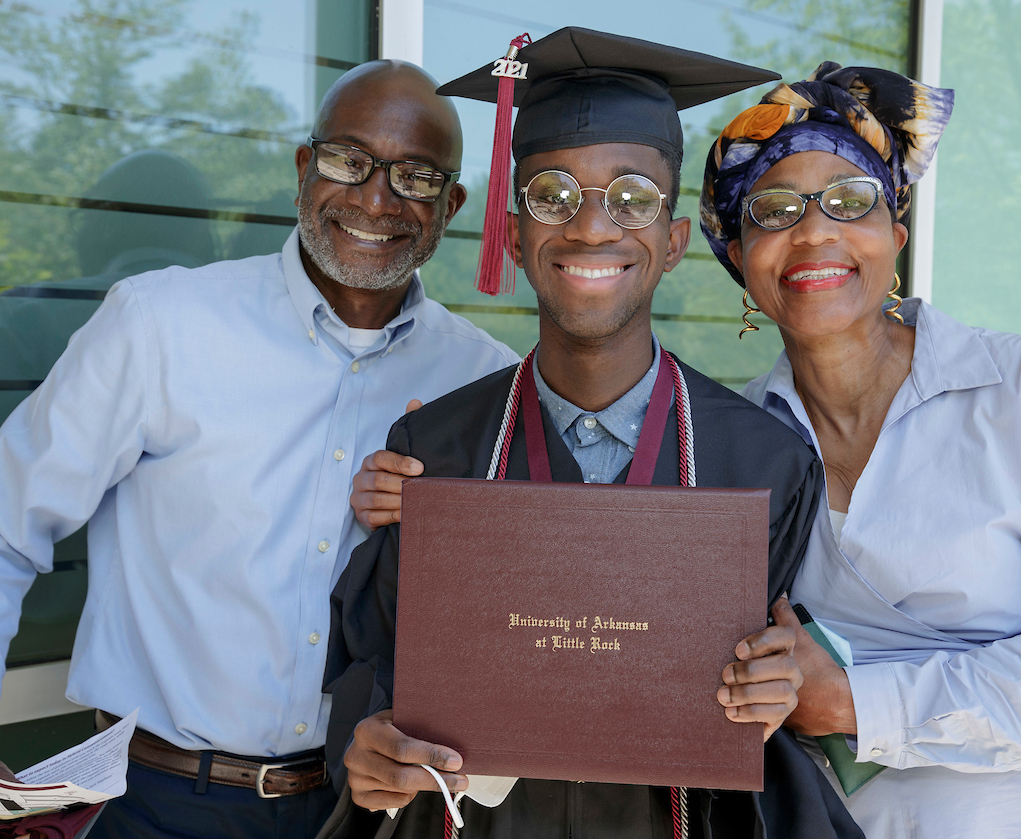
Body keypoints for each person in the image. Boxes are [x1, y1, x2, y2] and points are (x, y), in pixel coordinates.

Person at [319, 28, 864, 839]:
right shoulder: (434, 456)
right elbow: (374, 693)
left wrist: (789, 687)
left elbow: (816, 696)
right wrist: (368, 762)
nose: (590, 226)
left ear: (673, 240)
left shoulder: (767, 464)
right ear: (512, 233)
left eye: (634, 198)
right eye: (552, 196)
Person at [0, 60, 518, 839]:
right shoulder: (161, 325)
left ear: (451, 207)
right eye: (349, 160)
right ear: (305, 169)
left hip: (365, 809)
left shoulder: (483, 381)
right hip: (154, 801)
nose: (376, 199)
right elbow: (9, 518)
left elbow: (504, 608)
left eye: (413, 177)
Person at [696, 63, 1021, 836]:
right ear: (744, 264)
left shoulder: (1015, 389)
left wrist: (853, 702)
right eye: (775, 211)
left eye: (851, 202)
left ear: (895, 237)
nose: (815, 232)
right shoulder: (731, 441)